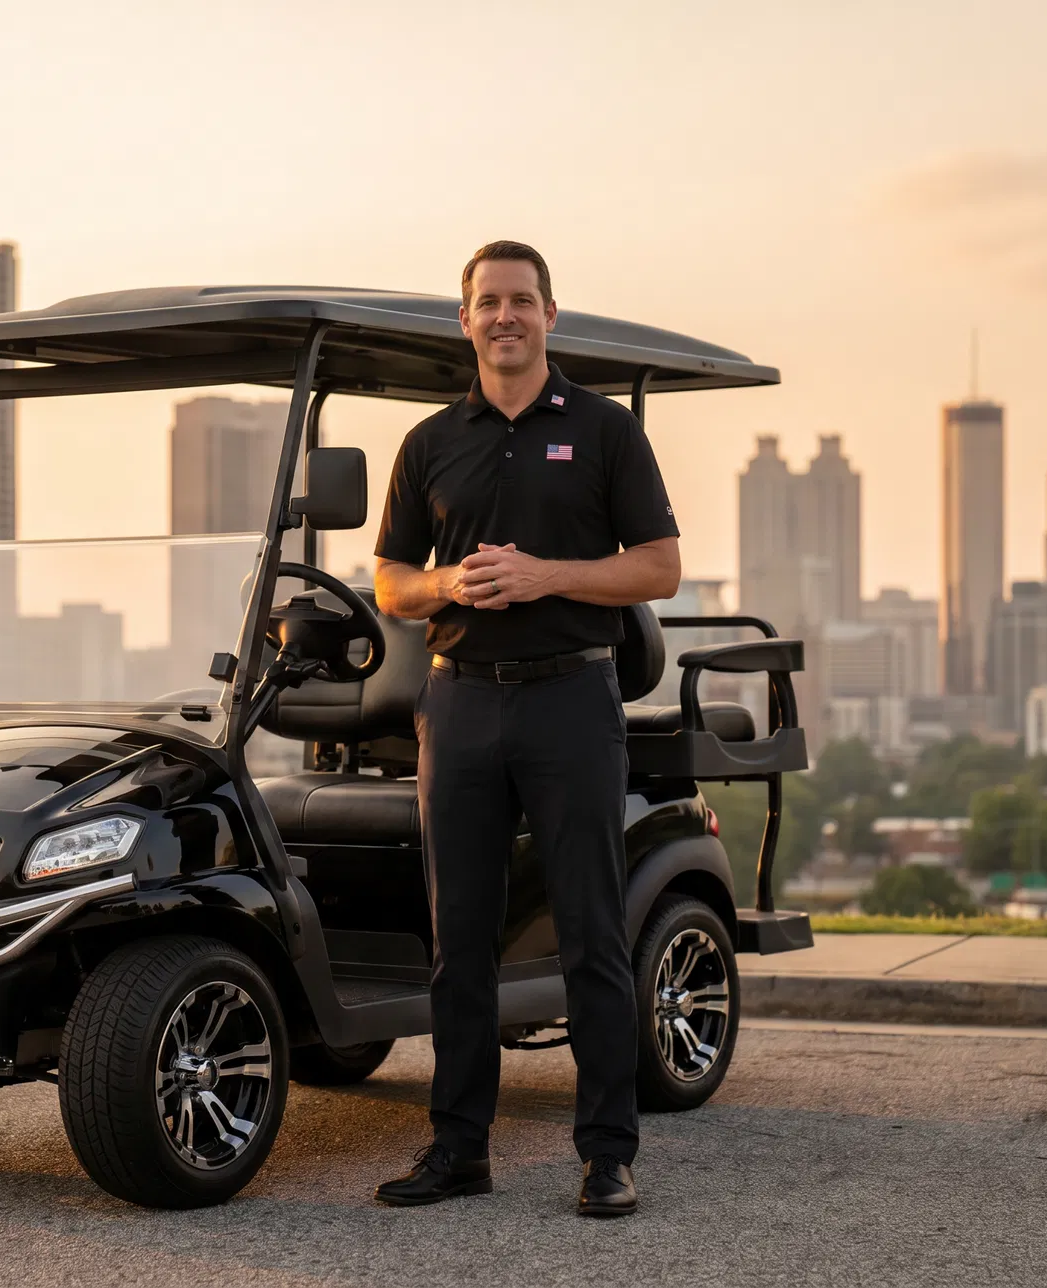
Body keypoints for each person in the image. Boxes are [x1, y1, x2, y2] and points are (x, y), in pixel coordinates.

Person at [370, 241, 681, 1218]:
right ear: (462, 320)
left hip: (571, 699)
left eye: (522, 302)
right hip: (458, 701)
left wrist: (548, 576)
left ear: (553, 313)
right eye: (487, 303)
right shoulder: (428, 443)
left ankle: (607, 1155)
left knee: (591, 930)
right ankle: (458, 1149)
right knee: (458, 940)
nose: (505, 316)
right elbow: (390, 582)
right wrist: (446, 585)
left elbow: (661, 566)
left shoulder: (604, 433)